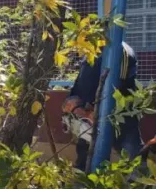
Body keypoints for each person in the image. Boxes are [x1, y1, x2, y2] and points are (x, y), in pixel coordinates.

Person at [62, 41, 144, 170]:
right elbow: (82, 82)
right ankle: (83, 182)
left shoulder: (121, 52)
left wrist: (95, 111)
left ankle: (142, 183)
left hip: (119, 113)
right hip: (87, 114)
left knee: (132, 153)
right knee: (85, 153)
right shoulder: (91, 51)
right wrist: (74, 103)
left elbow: (118, 86)